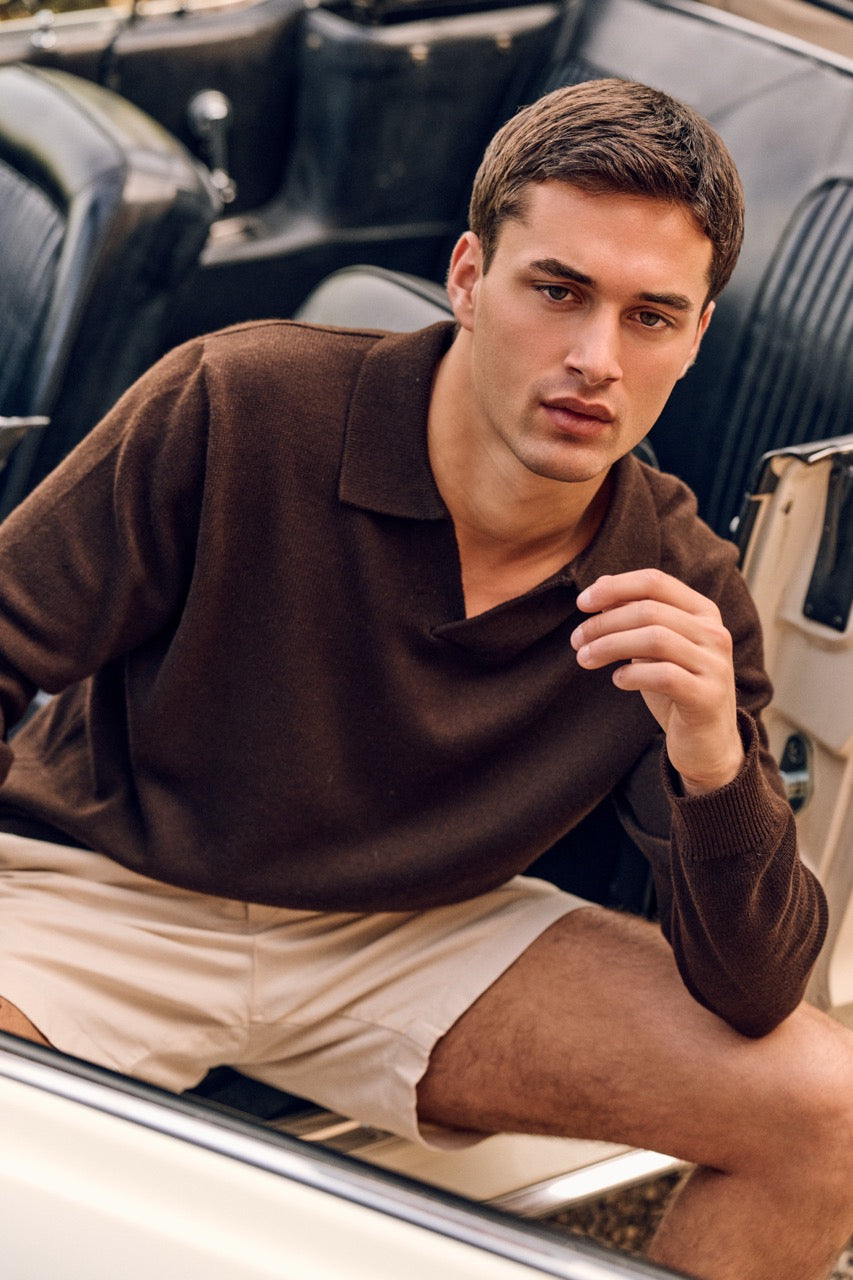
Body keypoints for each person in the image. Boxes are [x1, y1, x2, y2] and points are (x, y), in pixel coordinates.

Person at [0, 77, 850, 1279]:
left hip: (418, 930)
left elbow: (756, 987)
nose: (594, 358)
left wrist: (712, 759)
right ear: (467, 276)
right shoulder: (238, 402)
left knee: (827, 1110)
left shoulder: (681, 587)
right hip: (109, 892)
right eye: (556, 290)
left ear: (696, 335)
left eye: (650, 316)